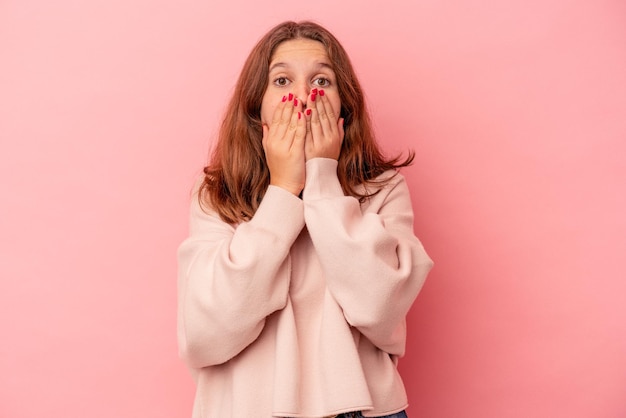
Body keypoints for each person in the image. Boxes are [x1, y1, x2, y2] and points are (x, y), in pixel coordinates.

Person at [177, 20, 433, 418]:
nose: (303, 95)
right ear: (256, 107)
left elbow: (379, 309)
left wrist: (322, 179)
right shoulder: (216, 194)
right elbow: (207, 334)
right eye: (281, 81)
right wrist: (282, 191)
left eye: (322, 81)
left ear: (344, 106)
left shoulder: (383, 189)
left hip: (363, 410)